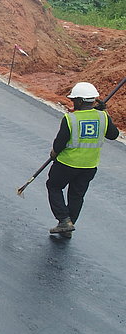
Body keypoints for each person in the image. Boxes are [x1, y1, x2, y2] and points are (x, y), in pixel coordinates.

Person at [46, 82, 119, 238]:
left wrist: (54, 153)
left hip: (67, 163)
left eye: (74, 100)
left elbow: (60, 143)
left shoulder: (70, 119)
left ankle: (64, 220)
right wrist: (105, 114)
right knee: (76, 195)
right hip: (89, 166)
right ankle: (69, 225)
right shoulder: (103, 117)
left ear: (79, 101)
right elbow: (113, 135)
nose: (73, 103)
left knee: (53, 186)